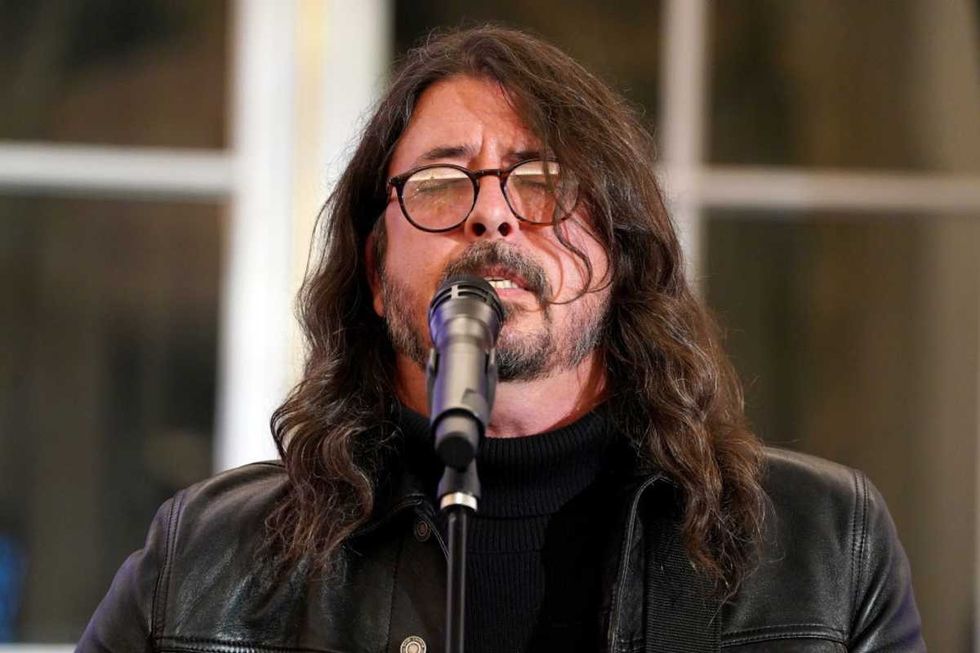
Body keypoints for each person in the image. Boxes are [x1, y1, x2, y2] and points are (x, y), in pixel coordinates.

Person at [78, 26, 924, 652]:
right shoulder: (205, 564)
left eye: (545, 181)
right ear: (375, 274)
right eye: (442, 183)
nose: (492, 211)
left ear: (620, 256)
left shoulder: (822, 546)